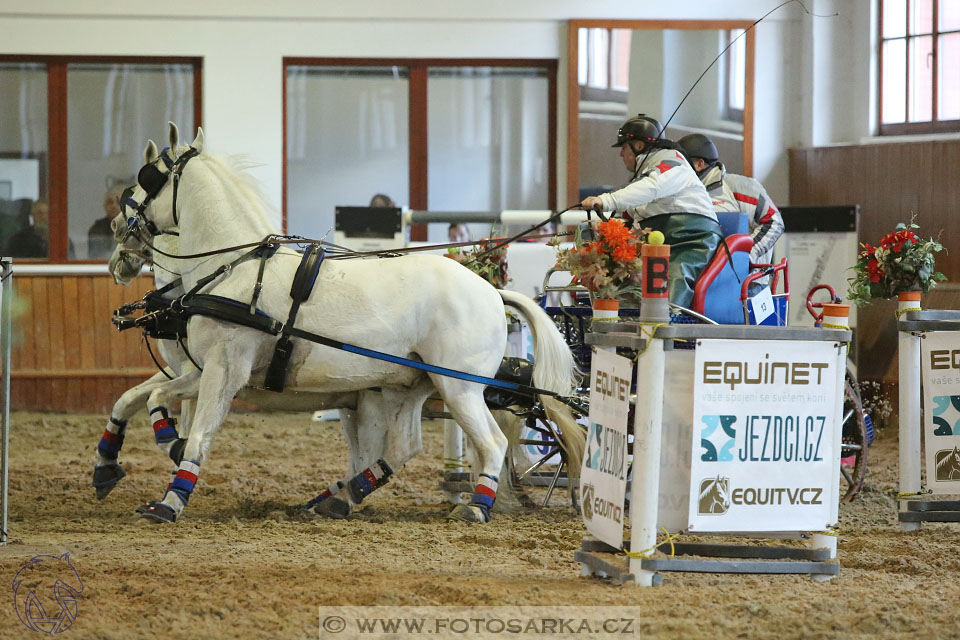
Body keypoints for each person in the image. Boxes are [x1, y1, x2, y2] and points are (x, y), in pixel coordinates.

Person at [579, 114, 720, 308]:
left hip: (691, 239)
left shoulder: (672, 161)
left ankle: (670, 323)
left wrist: (606, 200)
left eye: (623, 147)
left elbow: (651, 188)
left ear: (638, 145)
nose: (621, 155)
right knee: (623, 279)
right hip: (661, 237)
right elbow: (637, 204)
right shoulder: (647, 171)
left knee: (672, 279)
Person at [677, 133, 785, 266]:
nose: (677, 170)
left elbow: (774, 222)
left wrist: (745, 257)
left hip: (748, 282)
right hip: (700, 276)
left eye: (682, 164)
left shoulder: (740, 186)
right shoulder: (681, 195)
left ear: (700, 164)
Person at [88, 188, 123, 259]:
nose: (114, 206)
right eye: (110, 202)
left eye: (118, 202)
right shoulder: (96, 229)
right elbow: (96, 257)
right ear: (105, 206)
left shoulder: (133, 227)